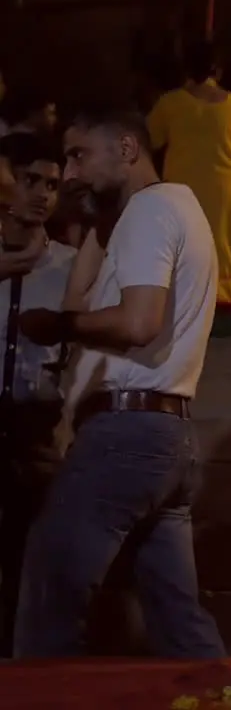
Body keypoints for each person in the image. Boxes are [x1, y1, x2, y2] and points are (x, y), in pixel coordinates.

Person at [13, 108, 224, 658]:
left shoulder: (151, 209)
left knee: (49, 592)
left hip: (126, 434)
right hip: (164, 437)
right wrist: (93, 230)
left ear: (127, 149)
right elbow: (82, 303)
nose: (70, 168)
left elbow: (136, 323)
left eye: (79, 154)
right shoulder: (165, 211)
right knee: (179, 622)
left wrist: (56, 327)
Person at [0, 133, 74, 657]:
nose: (42, 195)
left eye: (51, 184)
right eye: (30, 181)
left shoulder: (70, 266)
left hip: (38, 423)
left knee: (33, 560)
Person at [147, 40, 231, 335]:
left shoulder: (170, 103)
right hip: (225, 193)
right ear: (219, 70)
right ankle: (230, 302)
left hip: (181, 193)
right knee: (229, 244)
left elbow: (149, 141)